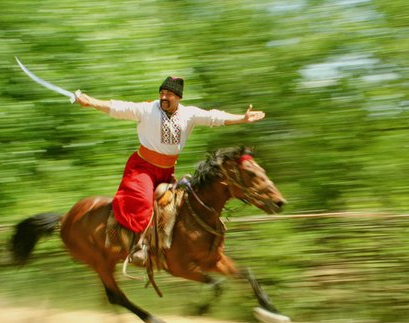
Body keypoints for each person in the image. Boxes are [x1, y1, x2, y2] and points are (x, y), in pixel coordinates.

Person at [75, 76, 266, 265]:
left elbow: (214, 117)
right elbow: (118, 107)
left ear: (178, 97)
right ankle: (139, 246)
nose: (164, 97)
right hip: (142, 168)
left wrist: (242, 118)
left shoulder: (189, 114)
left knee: (179, 205)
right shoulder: (147, 109)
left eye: (169, 94)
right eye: (162, 93)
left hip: (166, 170)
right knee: (141, 200)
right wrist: (90, 101)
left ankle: (168, 248)